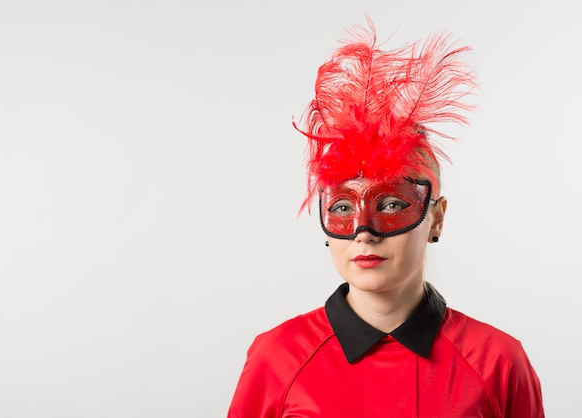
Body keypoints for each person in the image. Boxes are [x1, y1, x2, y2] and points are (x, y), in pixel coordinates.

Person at [227, 18, 544, 418]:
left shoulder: (498, 362)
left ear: (437, 219)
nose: (364, 233)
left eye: (391, 204)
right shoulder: (277, 359)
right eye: (342, 207)